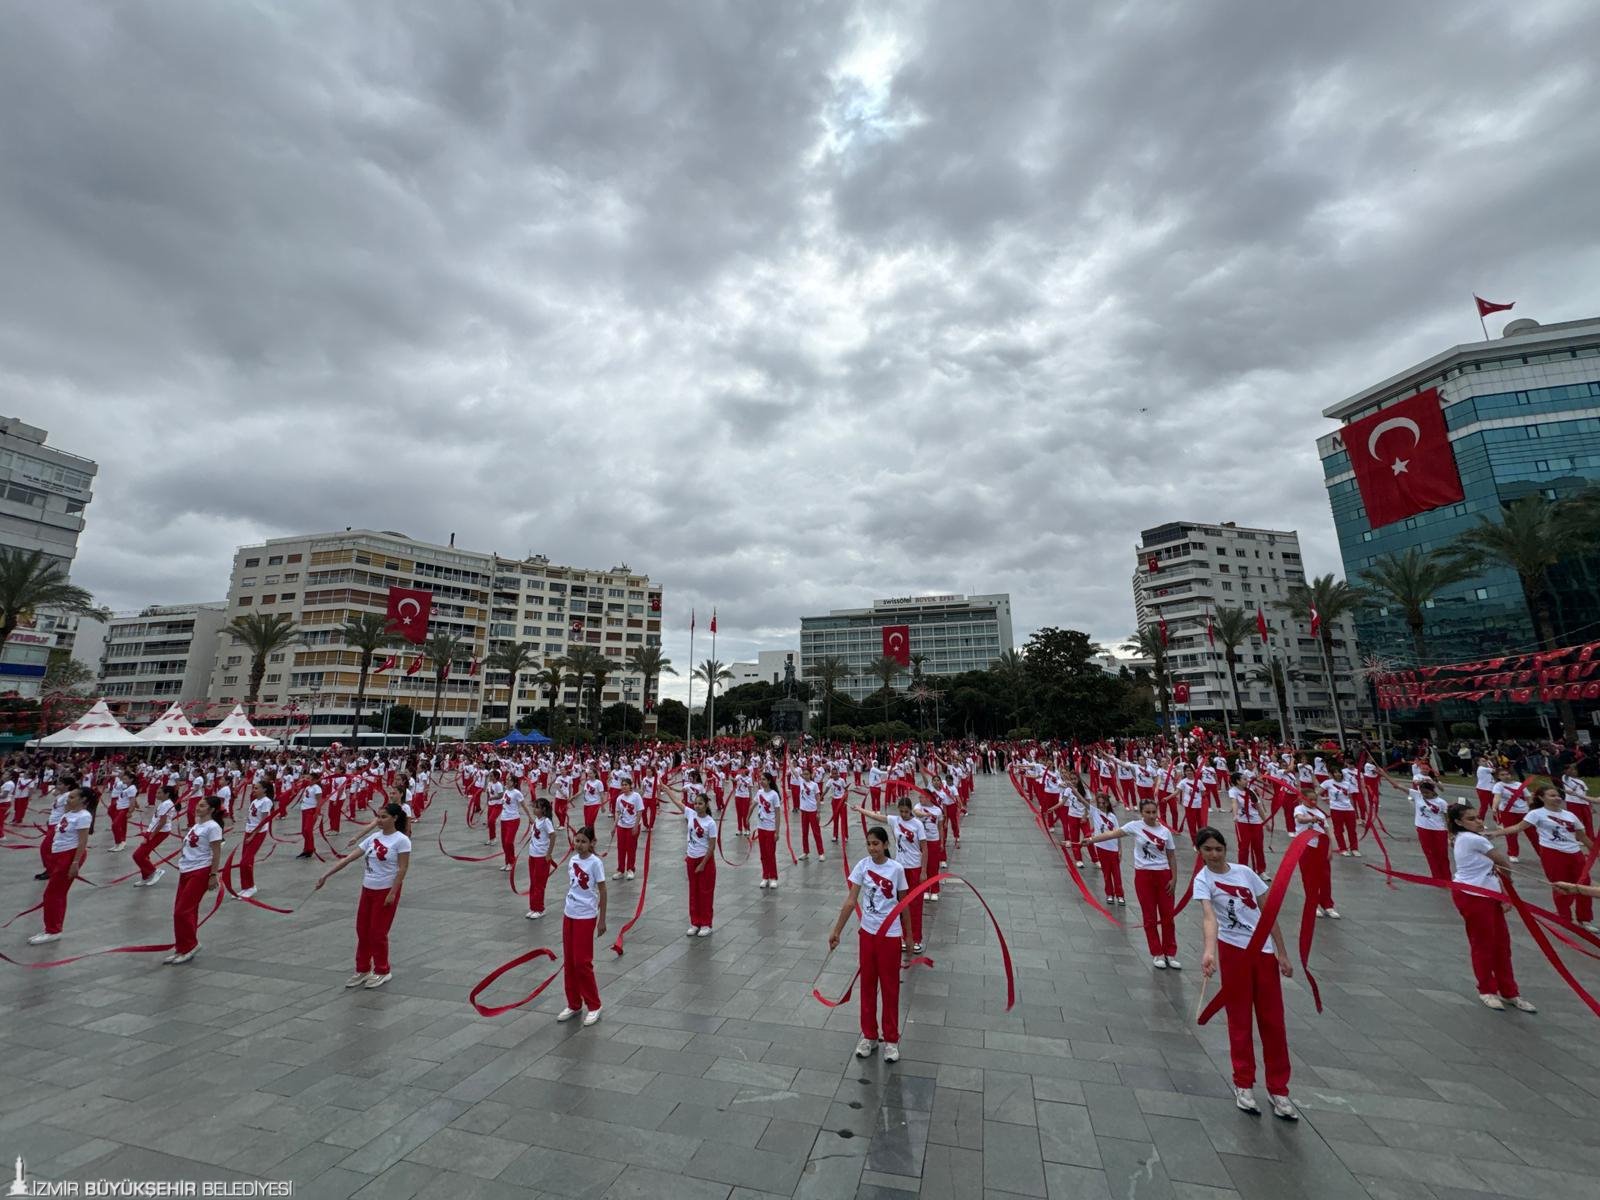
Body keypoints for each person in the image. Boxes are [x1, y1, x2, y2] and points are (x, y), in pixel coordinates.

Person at [1194, 826, 1297, 1120]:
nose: (1214, 855)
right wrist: (1209, 951)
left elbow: (1268, 914)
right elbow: (1209, 917)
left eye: (1218, 849)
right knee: (1239, 1021)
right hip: (1233, 953)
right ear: (1199, 852)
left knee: (1273, 1022)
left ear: (1226, 849)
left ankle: (1279, 1089)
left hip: (1262, 953)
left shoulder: (1245, 873)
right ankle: (1243, 1084)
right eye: (1207, 850)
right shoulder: (1203, 880)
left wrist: (1282, 953)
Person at [827, 824, 909, 1064]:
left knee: (890, 988)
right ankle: (869, 1035)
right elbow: (851, 901)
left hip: (890, 936)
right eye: (869, 843)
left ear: (885, 845)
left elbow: (905, 907)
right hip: (868, 934)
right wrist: (837, 931)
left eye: (876, 843)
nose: (872, 848)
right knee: (867, 985)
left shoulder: (897, 869)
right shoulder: (862, 866)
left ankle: (891, 1040)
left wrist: (910, 937)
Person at [1445, 803, 1535, 1012]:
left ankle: (1510, 991)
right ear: (1458, 822)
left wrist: (1502, 895)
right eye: (1471, 819)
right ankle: (1486, 989)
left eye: (1477, 817)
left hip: (1489, 894)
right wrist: (1509, 884)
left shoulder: (1467, 837)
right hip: (1473, 896)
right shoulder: (1472, 838)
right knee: (1483, 944)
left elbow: (1493, 869)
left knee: (1502, 945)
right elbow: (1501, 862)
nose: (1478, 821)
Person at [315, 802, 412, 990]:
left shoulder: (401, 840)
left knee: (378, 932)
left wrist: (393, 892)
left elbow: (403, 868)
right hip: (367, 888)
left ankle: (383, 970)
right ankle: (363, 969)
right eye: (378, 817)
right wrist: (326, 875)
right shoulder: (373, 838)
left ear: (395, 818)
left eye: (384, 817)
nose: (379, 821)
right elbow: (350, 857)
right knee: (363, 930)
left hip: (386, 890)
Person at [1086, 796, 1180, 969]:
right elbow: (1111, 834)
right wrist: (1091, 840)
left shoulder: (1165, 832)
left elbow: (1172, 856)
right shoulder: (1134, 827)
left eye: (1154, 812)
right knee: (1149, 916)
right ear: (1141, 812)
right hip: (1144, 876)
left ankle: (1170, 952)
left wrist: (1174, 878)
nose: (1152, 816)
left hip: (1164, 875)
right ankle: (1157, 952)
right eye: (1148, 812)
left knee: (1168, 915)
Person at [1490, 783, 1596, 931]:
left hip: (1575, 853)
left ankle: (1584, 919)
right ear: (1541, 797)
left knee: (1584, 884)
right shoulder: (1536, 814)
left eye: (1558, 795)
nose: (1557, 798)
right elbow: (1518, 828)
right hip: (1552, 853)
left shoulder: (1570, 815)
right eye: (1552, 795)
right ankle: (1564, 916)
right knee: (1560, 885)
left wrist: (1595, 852)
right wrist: (1495, 833)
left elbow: (1583, 837)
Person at [852, 797, 926, 953]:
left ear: (911, 810)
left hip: (914, 868)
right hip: (899, 868)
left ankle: (916, 938)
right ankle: (901, 936)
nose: (904, 814)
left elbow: (924, 849)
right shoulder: (895, 820)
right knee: (898, 904)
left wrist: (924, 871)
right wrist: (860, 809)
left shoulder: (917, 824)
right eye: (901, 811)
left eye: (907, 812)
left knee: (915, 905)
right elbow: (876, 816)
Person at [30, 786, 96, 945]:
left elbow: (82, 842)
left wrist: (75, 862)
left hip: (70, 855)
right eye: (69, 796)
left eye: (72, 797)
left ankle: (53, 930)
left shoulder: (84, 816)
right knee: (57, 893)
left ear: (83, 800)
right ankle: (52, 928)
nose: (68, 799)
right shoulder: (69, 813)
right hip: (60, 855)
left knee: (53, 894)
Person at [167, 795, 225, 964]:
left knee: (183, 911)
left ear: (211, 810)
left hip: (200, 871)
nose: (197, 808)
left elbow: (216, 853)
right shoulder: (197, 825)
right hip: (186, 869)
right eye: (198, 805)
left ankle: (190, 945)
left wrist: (213, 875)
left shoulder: (213, 827)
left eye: (202, 806)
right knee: (180, 911)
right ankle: (181, 947)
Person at [558, 825, 606, 1025]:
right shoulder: (572, 860)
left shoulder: (595, 863)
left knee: (582, 962)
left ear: (592, 843)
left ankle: (594, 1005)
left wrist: (601, 919)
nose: (579, 845)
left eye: (583, 841)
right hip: (569, 913)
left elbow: (603, 891)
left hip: (586, 916)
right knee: (569, 962)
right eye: (576, 841)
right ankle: (574, 1003)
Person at [671, 788, 719, 936]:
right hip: (691, 859)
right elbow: (676, 802)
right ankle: (695, 922)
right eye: (695, 803)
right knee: (693, 892)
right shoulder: (691, 814)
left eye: (700, 803)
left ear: (706, 805)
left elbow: (712, 846)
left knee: (705, 892)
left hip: (705, 860)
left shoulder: (710, 823)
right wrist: (666, 789)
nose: (697, 806)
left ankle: (706, 923)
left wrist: (702, 864)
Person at [1293, 786, 1338, 919]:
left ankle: (1327, 905)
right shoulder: (1299, 809)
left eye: (1315, 799)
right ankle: (1312, 905)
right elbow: (1300, 819)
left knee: (1325, 877)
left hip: (1321, 846)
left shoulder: (1321, 813)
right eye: (1310, 799)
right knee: (1309, 877)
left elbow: (1327, 832)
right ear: (1302, 798)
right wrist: (1310, 819)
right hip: (1305, 846)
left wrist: (1330, 849)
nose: (1313, 802)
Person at [133, 783, 180, 888]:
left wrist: (151, 835)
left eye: (159, 792)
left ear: (167, 794)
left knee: (138, 855)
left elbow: (162, 822)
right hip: (153, 830)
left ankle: (154, 871)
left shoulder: (166, 804)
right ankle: (146, 877)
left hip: (159, 832)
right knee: (144, 855)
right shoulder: (164, 803)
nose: (156, 794)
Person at [237, 779, 275, 898]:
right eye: (254, 788)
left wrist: (253, 835)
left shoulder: (266, 802)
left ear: (264, 790)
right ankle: (245, 887)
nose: (254, 790)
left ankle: (251, 887)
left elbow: (264, 821)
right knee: (244, 860)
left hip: (257, 833)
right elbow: (252, 816)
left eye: (257, 788)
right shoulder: (255, 801)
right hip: (248, 830)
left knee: (245, 861)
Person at [522, 796, 558, 918]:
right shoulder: (536, 821)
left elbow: (553, 836)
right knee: (533, 882)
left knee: (539, 883)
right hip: (532, 855)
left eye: (536, 807)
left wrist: (549, 853)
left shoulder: (546, 821)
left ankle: (540, 908)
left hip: (542, 857)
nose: (534, 809)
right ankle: (533, 907)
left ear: (543, 809)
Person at [1088, 792, 1125, 906]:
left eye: (1103, 803)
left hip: (1113, 848)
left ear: (1108, 803)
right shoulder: (1095, 812)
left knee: (1116, 873)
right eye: (1099, 803)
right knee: (1106, 873)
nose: (1101, 805)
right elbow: (1082, 800)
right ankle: (1109, 894)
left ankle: (1120, 895)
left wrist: (1120, 850)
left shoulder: (1112, 817)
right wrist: (1072, 788)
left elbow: (1118, 833)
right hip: (1101, 847)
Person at [1410, 778, 1450, 881]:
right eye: (1422, 792)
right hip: (1423, 829)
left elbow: (1447, 819)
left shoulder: (1441, 802)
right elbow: (1397, 785)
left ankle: (1447, 879)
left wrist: (1451, 833)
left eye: (1427, 793)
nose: (1424, 795)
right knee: (1429, 854)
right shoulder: (1417, 796)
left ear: (1433, 791)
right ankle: (1437, 878)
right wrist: (1382, 773)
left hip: (1439, 831)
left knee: (1442, 855)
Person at [754, 772, 783, 889]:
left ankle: (773, 877)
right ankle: (765, 876)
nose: (761, 781)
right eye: (760, 779)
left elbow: (777, 813)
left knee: (770, 854)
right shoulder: (759, 792)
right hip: (761, 828)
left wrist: (777, 831)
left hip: (770, 828)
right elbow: (753, 804)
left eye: (764, 779)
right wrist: (747, 817)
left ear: (769, 781)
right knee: (763, 854)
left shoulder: (774, 795)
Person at [614, 781, 642, 879]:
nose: (624, 786)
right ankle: (620, 870)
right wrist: (614, 826)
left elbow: (639, 811)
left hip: (632, 826)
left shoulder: (636, 796)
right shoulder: (619, 798)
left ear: (630, 786)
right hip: (621, 826)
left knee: (631, 848)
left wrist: (635, 826)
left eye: (626, 785)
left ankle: (630, 869)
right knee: (621, 848)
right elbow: (617, 812)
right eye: (623, 785)